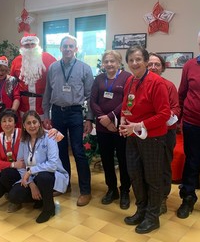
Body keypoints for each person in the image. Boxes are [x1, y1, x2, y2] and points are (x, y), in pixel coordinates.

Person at [119, 45, 170, 234]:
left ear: (146, 61)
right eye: (131, 60)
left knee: (152, 178)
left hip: (152, 138)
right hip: (132, 135)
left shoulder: (157, 83)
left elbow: (164, 114)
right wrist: (123, 121)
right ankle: (141, 210)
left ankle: (152, 217)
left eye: (138, 59)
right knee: (135, 174)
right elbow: (126, 102)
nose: (134, 63)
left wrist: (138, 125)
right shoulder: (131, 81)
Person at [43, 35, 94, 207]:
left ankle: (85, 191)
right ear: (60, 48)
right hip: (57, 113)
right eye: (65, 46)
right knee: (60, 149)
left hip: (75, 113)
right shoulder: (53, 68)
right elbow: (47, 93)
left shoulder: (84, 68)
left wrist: (89, 118)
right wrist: (45, 115)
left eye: (71, 46)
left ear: (76, 49)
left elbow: (90, 96)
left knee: (78, 151)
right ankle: (64, 185)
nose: (68, 49)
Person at [8, 110, 69, 223]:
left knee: (43, 177)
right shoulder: (23, 140)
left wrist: (31, 171)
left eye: (34, 122)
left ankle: (49, 208)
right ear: (24, 126)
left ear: (39, 123)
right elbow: (21, 164)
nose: (32, 126)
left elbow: (52, 165)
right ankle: (40, 199)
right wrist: (31, 184)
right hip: (32, 177)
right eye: (28, 123)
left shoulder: (49, 137)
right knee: (14, 195)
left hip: (50, 175)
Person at [90, 50, 131, 209]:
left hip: (120, 125)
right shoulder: (99, 78)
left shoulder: (127, 77)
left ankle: (125, 190)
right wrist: (104, 120)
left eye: (112, 61)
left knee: (123, 160)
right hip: (102, 126)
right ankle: (112, 189)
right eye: (106, 61)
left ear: (119, 62)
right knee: (106, 160)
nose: (109, 64)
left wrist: (112, 116)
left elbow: (128, 100)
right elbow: (93, 100)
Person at [176, 27, 200, 219]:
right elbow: (182, 94)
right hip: (192, 123)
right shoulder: (189, 66)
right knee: (192, 161)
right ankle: (187, 198)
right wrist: (180, 120)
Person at [148, 52, 180, 215]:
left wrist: (162, 119)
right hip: (146, 132)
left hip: (166, 132)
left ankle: (162, 199)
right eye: (150, 64)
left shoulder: (168, 86)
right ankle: (149, 197)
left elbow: (176, 108)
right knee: (148, 166)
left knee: (163, 166)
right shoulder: (141, 84)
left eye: (157, 64)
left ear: (162, 67)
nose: (153, 67)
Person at [0, 109, 24, 212]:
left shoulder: (22, 133)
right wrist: (13, 164)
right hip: (6, 170)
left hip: (20, 170)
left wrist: (53, 131)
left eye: (10, 120)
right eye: (4, 121)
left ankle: (15, 200)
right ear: (0, 123)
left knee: (7, 174)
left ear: (15, 122)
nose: (7, 124)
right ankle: (9, 191)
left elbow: (37, 132)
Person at [10, 33, 56, 120]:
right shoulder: (16, 61)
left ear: (37, 45)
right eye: (27, 45)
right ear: (23, 46)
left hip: (43, 105)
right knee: (25, 130)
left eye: (32, 44)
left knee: (44, 131)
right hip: (23, 105)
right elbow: (12, 83)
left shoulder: (49, 58)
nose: (30, 47)